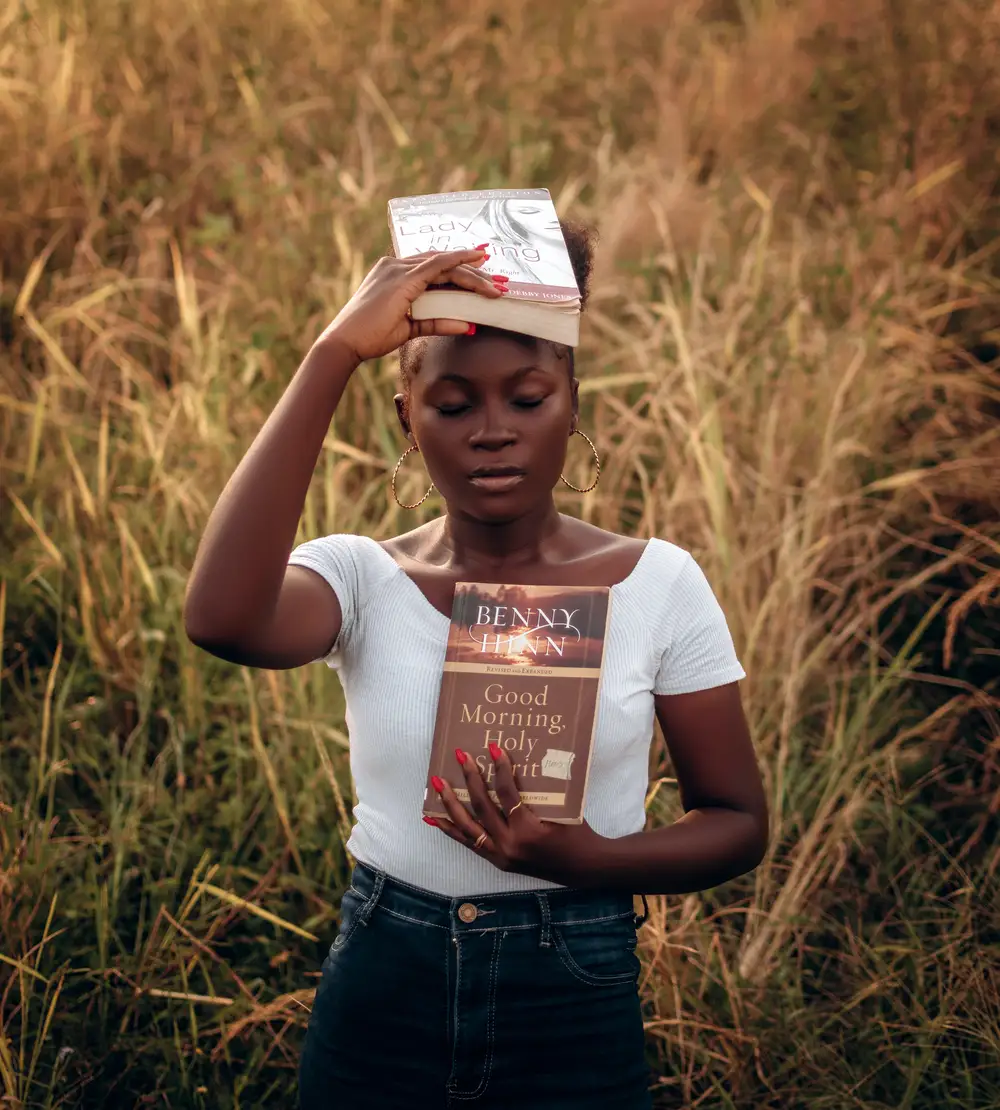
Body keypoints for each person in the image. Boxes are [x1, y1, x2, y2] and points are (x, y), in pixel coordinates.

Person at [182, 225, 769, 1110]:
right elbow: (222, 619)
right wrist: (333, 353)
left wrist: (589, 859)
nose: (493, 433)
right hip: (386, 977)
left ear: (572, 401)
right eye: (453, 407)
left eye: (528, 399)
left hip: (574, 981)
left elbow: (736, 820)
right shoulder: (362, 577)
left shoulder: (658, 583)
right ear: (407, 421)